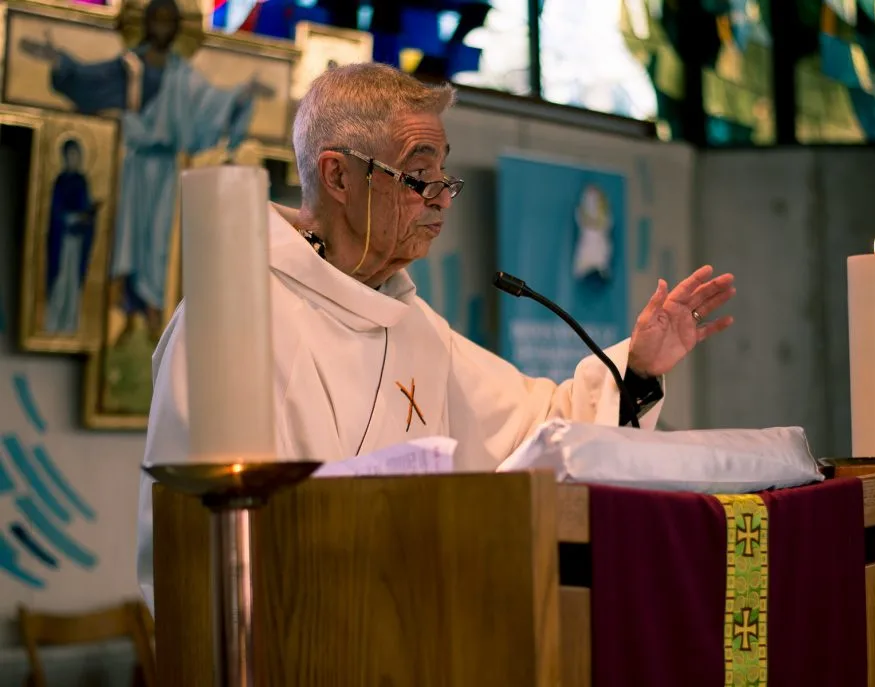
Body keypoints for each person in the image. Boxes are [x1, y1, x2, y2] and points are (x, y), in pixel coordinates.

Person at [135, 62, 736, 611]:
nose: (442, 196)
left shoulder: (414, 327)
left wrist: (639, 369)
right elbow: (196, 547)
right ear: (338, 175)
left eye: (444, 173)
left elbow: (541, 430)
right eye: (419, 175)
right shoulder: (233, 326)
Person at [20, 0, 276, 342]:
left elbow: (212, 105)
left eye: (169, 21)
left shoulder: (183, 77)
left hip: (167, 176)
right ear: (145, 24)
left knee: (158, 246)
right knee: (126, 237)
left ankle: (153, 315)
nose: (161, 27)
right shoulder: (128, 67)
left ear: (177, 28)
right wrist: (60, 61)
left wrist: (243, 95)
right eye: (156, 19)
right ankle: (121, 312)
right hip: (132, 168)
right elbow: (88, 79)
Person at [44, 138, 100, 334]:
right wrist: (72, 218)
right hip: (62, 242)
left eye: (77, 155)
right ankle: (52, 325)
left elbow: (86, 211)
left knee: (72, 286)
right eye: (71, 155)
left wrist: (88, 217)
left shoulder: (82, 182)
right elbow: (55, 214)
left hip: (77, 243)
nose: (74, 159)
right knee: (60, 284)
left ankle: (69, 327)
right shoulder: (60, 181)